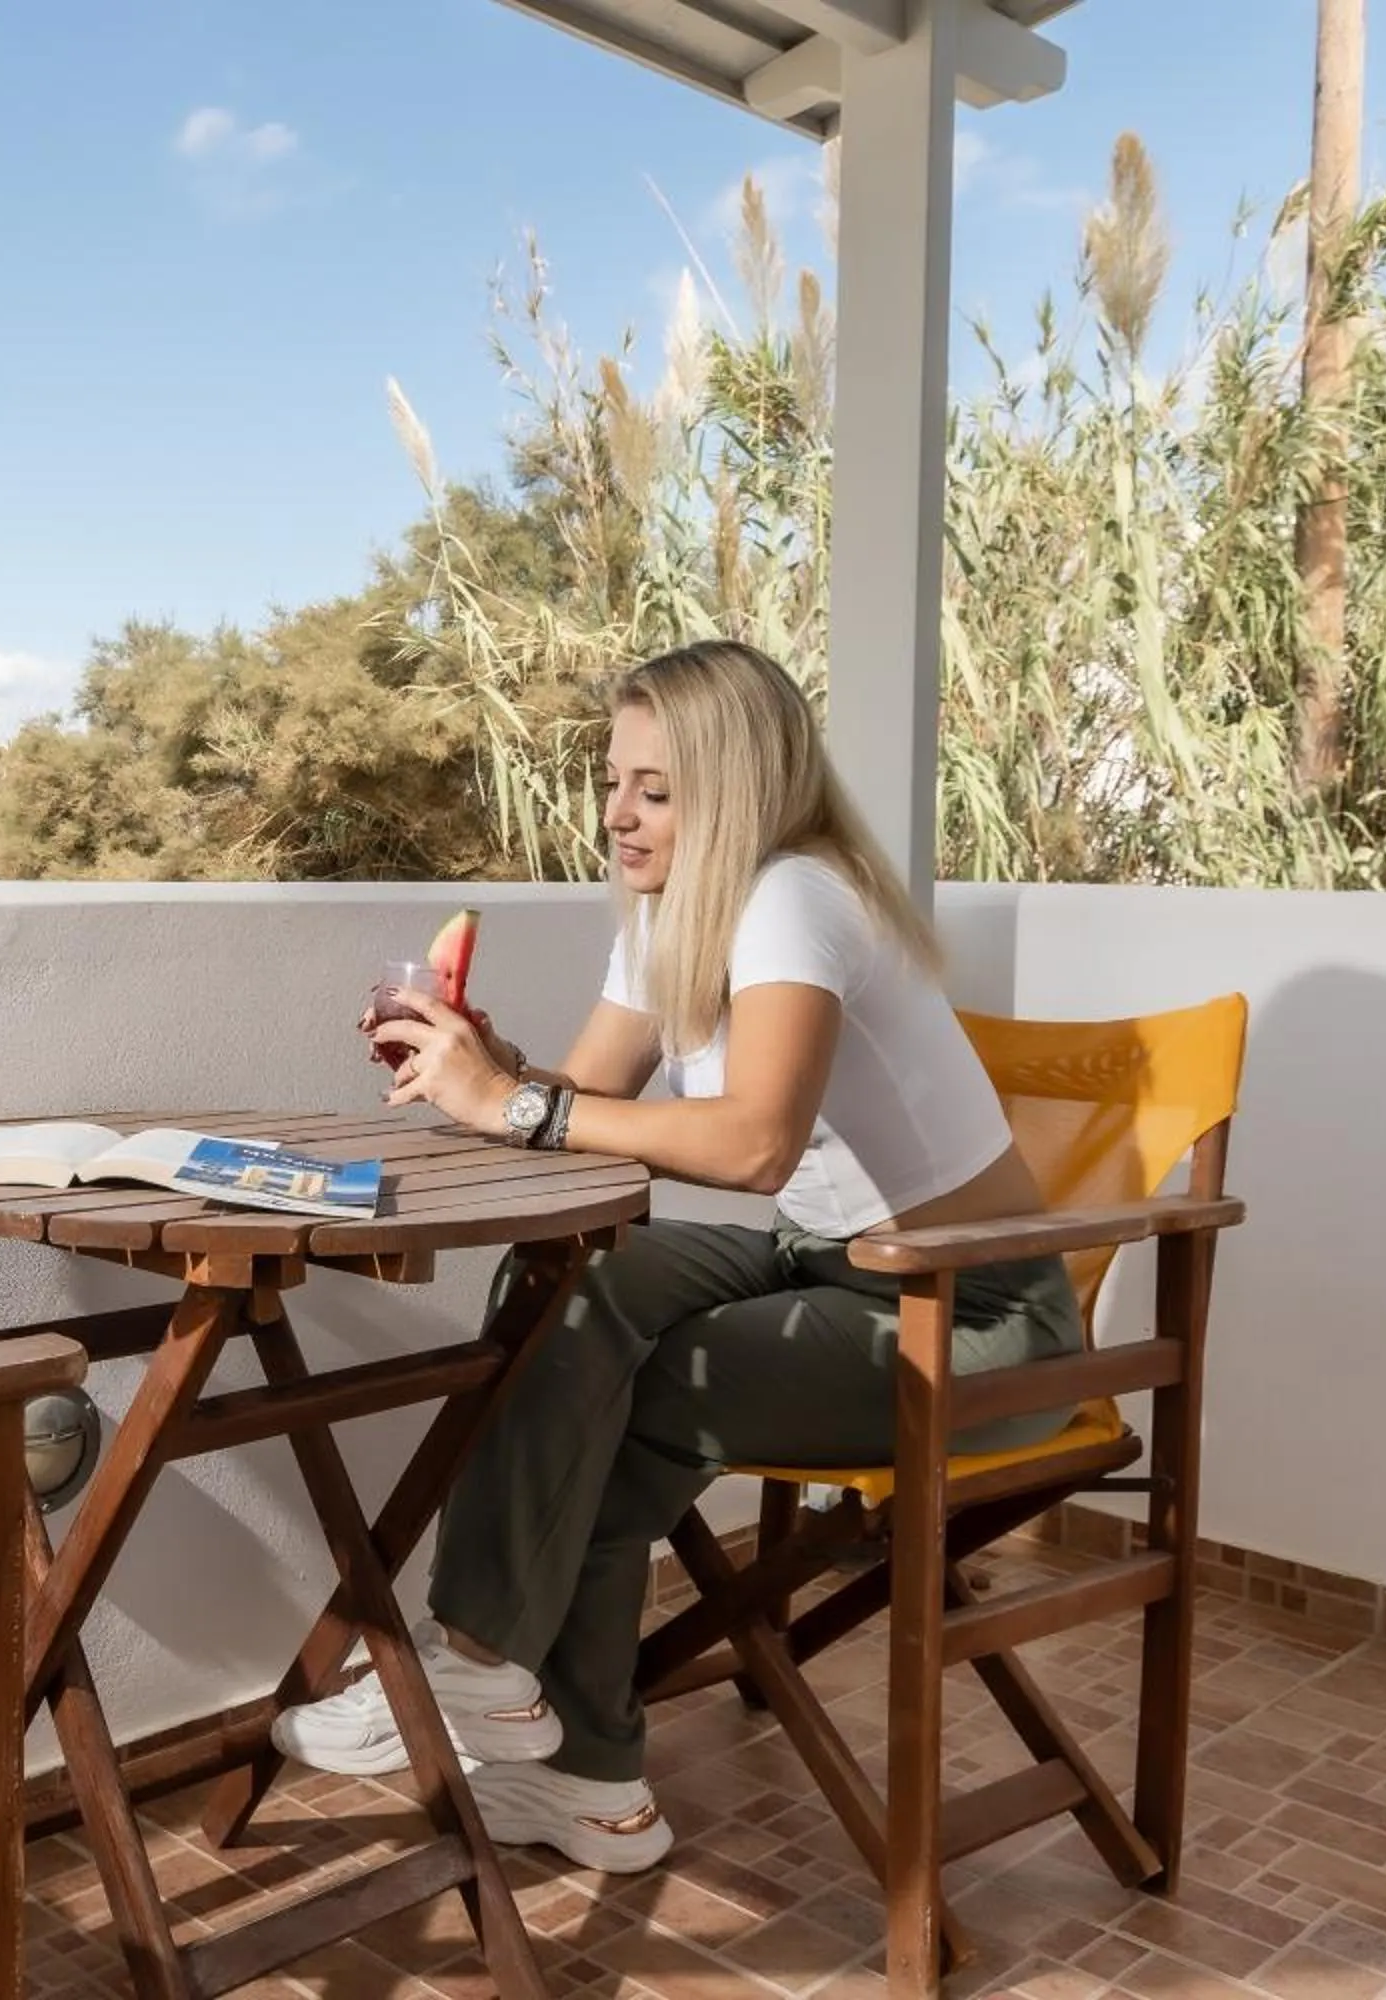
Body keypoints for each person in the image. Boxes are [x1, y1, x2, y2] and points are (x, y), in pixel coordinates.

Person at [274, 639, 1084, 1874]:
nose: (616, 812)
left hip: (973, 1316)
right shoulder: (673, 918)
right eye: (613, 780)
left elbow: (755, 1145)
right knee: (578, 1298)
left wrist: (516, 1105)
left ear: (739, 788)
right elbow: (586, 1096)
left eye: (655, 788)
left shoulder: (796, 897)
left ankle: (529, 1711)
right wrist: (480, 1058)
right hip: (832, 1268)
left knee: (648, 1378)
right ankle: (538, 1731)